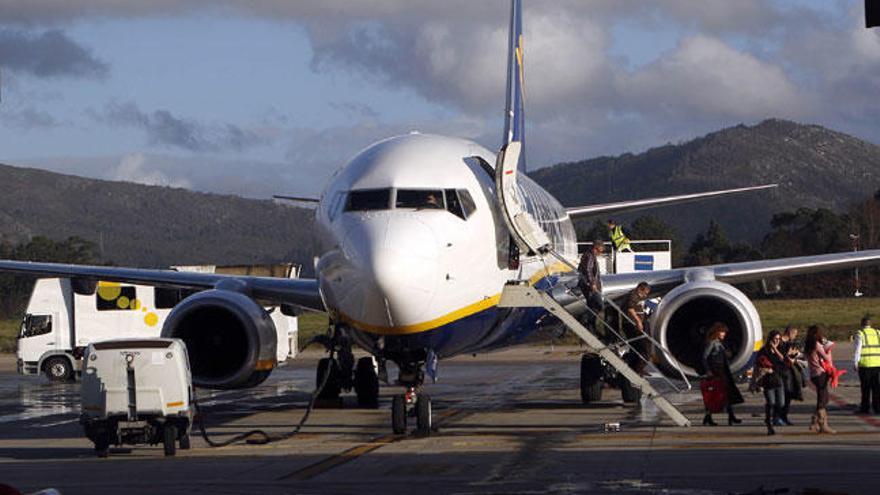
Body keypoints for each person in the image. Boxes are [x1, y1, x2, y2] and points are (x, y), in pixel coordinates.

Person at [701, 322, 744, 426]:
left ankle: (729, 416)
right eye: (722, 332)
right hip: (716, 371)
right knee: (715, 395)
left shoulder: (720, 343)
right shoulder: (712, 343)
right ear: (717, 332)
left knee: (726, 393)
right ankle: (710, 417)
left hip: (723, 370)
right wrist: (708, 371)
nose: (724, 334)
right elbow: (704, 357)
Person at [752, 330, 787, 435]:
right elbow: (758, 363)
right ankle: (769, 423)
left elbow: (783, 360)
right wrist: (765, 370)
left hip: (778, 378)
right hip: (768, 379)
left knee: (781, 403)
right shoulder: (764, 351)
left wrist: (775, 349)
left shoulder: (780, 349)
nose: (776, 341)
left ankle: (774, 417)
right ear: (770, 339)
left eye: (778, 339)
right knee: (771, 402)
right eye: (775, 339)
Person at [805, 325, 836, 434]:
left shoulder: (808, 345)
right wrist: (829, 348)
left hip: (813, 374)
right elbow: (827, 357)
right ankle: (823, 424)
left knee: (823, 398)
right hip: (820, 374)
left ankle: (815, 421)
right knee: (823, 399)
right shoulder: (817, 345)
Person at [622, 282, 651, 374]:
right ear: (640, 289)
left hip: (638, 324)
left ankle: (638, 368)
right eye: (645, 293)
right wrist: (638, 321)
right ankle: (637, 369)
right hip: (632, 325)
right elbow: (630, 309)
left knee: (638, 348)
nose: (645, 295)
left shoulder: (639, 297)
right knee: (644, 348)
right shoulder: (633, 295)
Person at [853, 316, 880, 415]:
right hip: (877, 363)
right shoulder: (877, 333)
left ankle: (865, 408)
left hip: (865, 364)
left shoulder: (860, 333)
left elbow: (858, 349)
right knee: (876, 387)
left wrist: (855, 362)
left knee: (865, 387)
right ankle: (877, 407)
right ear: (870, 324)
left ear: (861, 324)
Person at [577, 239, 605, 332]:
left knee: (592, 306)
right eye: (600, 251)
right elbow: (588, 270)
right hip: (589, 286)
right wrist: (592, 283)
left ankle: (591, 328)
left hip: (590, 285)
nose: (601, 253)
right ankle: (583, 318)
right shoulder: (590, 256)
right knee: (599, 305)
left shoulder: (590, 255)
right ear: (595, 248)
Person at [778, 325, 804, 425]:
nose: (795, 337)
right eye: (795, 334)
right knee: (782, 396)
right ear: (790, 333)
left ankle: (783, 417)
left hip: (789, 372)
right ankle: (779, 417)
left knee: (788, 395)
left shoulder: (790, 343)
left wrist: (796, 354)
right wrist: (789, 356)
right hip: (782, 372)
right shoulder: (780, 342)